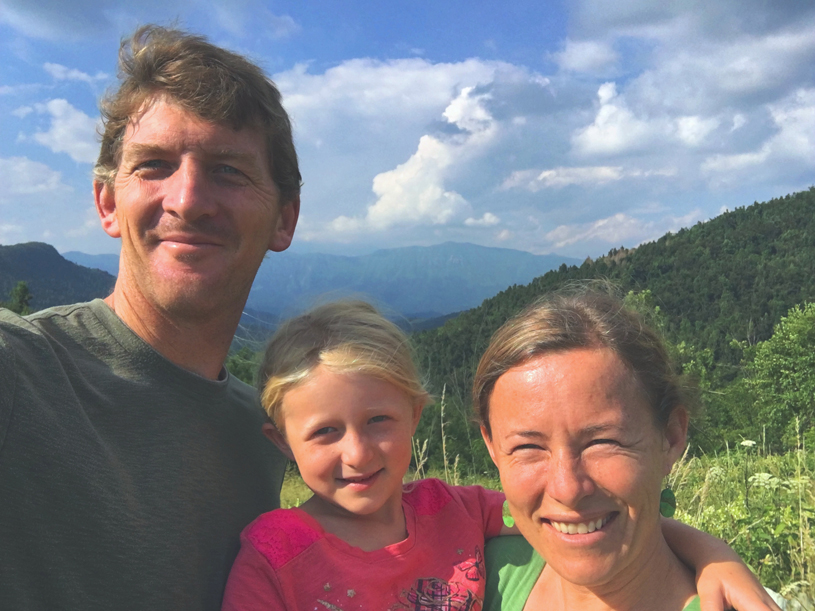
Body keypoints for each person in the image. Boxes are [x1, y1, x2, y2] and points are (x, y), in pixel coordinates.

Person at [0, 25, 299, 611]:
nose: (187, 199)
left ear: (284, 220)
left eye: (228, 170)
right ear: (108, 202)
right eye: (154, 164)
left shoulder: (266, 433)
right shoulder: (22, 372)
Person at [222, 300, 783, 611]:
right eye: (325, 433)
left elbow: (572, 521)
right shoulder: (276, 552)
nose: (358, 452)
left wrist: (711, 554)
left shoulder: (454, 513)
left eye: (602, 439)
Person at [474, 287, 786, 611]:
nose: (566, 489)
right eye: (528, 447)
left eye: (602, 442)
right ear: (493, 447)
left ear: (671, 436)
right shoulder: (472, 574)